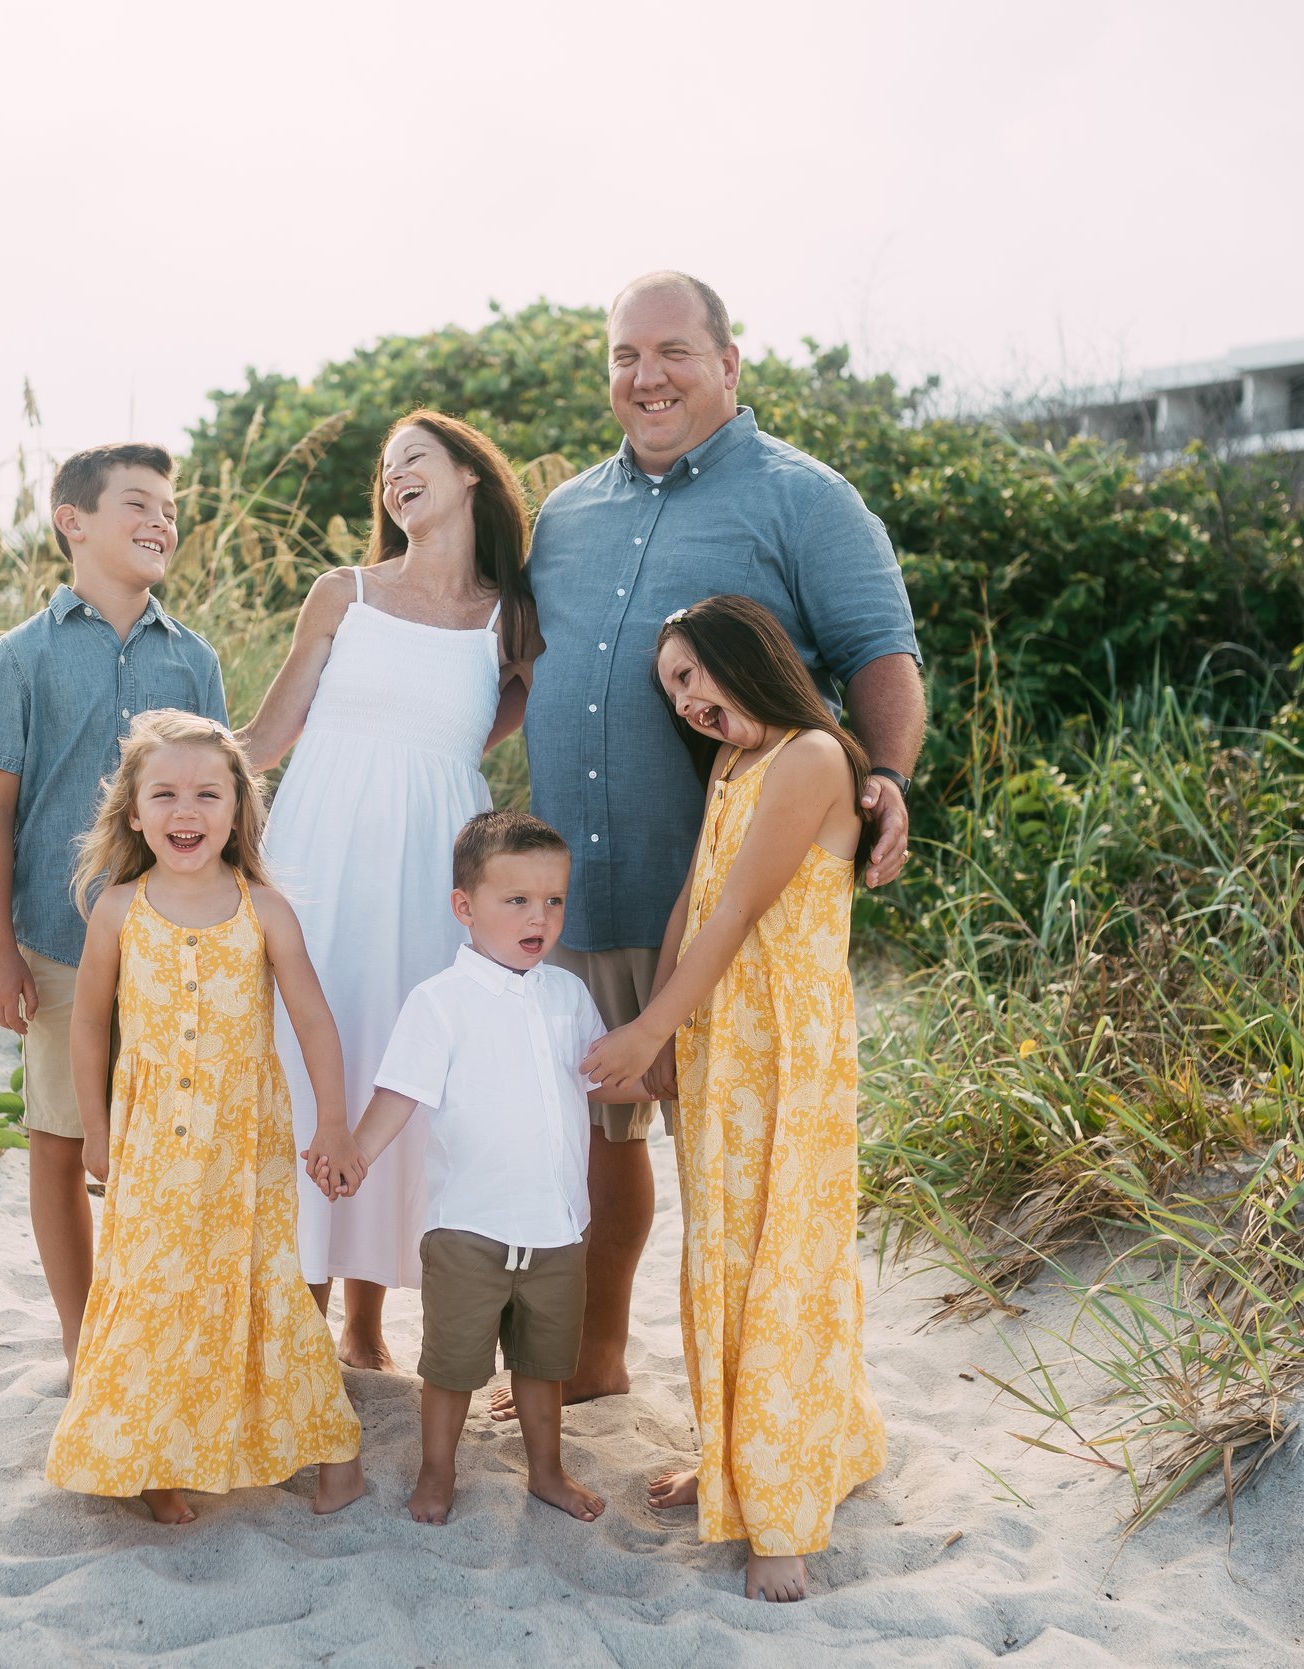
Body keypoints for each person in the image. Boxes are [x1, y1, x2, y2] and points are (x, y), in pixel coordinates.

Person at [512, 271, 926, 1420]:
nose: (645, 376)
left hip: (721, 899)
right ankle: (597, 1356)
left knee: (733, 1169)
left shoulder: (806, 499)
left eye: (674, 352)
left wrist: (885, 777)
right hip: (576, 894)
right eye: (623, 355)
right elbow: (521, 671)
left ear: (730, 363)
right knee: (603, 1137)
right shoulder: (564, 513)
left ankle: (759, 1418)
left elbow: (880, 657)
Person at [579, 595, 887, 1601]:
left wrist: (646, 1025)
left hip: (787, 1050)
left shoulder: (808, 756)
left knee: (782, 1259)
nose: (684, 701)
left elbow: (746, 913)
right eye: (671, 687)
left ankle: (784, 1515)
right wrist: (675, 1041)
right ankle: (737, 1460)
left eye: (691, 675)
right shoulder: (734, 760)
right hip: (725, 1043)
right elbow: (695, 900)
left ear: (741, 659)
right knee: (723, 1250)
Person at [238, 411, 538, 1370]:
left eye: (414, 458)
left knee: (400, 1066)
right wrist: (169, 795)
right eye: (384, 469)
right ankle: (304, 1313)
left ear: (470, 478)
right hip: (322, 856)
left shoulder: (508, 617)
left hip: (433, 864)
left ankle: (367, 1321)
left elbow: (506, 710)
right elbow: (266, 736)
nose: (394, 476)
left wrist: (439, 761)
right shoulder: (345, 593)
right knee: (313, 1058)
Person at [44, 711, 365, 1523]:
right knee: (153, 1293)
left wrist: (332, 1123)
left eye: (206, 794)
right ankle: (158, 1461)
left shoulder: (266, 910)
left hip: (243, 1148)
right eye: (166, 794)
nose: (186, 811)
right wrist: (94, 1127)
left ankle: (336, 1448)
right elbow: (88, 1023)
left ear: (236, 811)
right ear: (133, 811)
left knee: (268, 1291)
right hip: (151, 1145)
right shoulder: (119, 909)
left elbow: (315, 1021)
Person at [0, 444, 230, 1377]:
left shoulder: (194, 660)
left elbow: (225, 813)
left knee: (162, 1147)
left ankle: (156, 1321)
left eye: (170, 506)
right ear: (72, 521)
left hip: (174, 949)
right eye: (138, 503)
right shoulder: (22, 656)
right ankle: (86, 1341)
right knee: (61, 1138)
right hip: (59, 943)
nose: (162, 519)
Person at [316, 811, 642, 1526]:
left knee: (544, 1363)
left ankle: (546, 1471)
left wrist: (661, 1074)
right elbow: (397, 1093)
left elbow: (601, 1074)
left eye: (554, 900)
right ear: (465, 906)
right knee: (452, 1365)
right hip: (469, 1226)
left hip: (556, 1225)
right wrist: (358, 1155)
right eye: (517, 900)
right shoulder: (441, 1002)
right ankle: (437, 1472)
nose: (540, 916)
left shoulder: (566, 994)